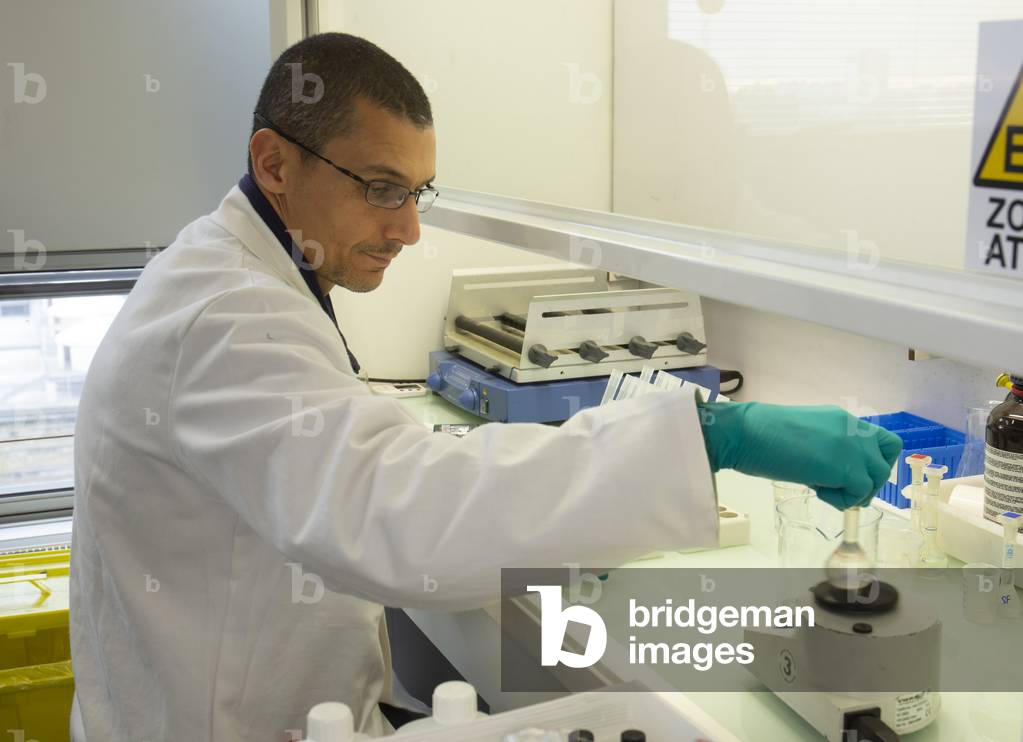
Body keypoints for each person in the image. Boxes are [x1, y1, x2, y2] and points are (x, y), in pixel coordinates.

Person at [69, 32, 902, 741]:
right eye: (381, 189)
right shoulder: (226, 317)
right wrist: (710, 436)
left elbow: (348, 466)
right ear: (274, 163)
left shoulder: (247, 275)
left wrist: (606, 493)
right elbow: (395, 515)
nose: (408, 228)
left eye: (416, 193)